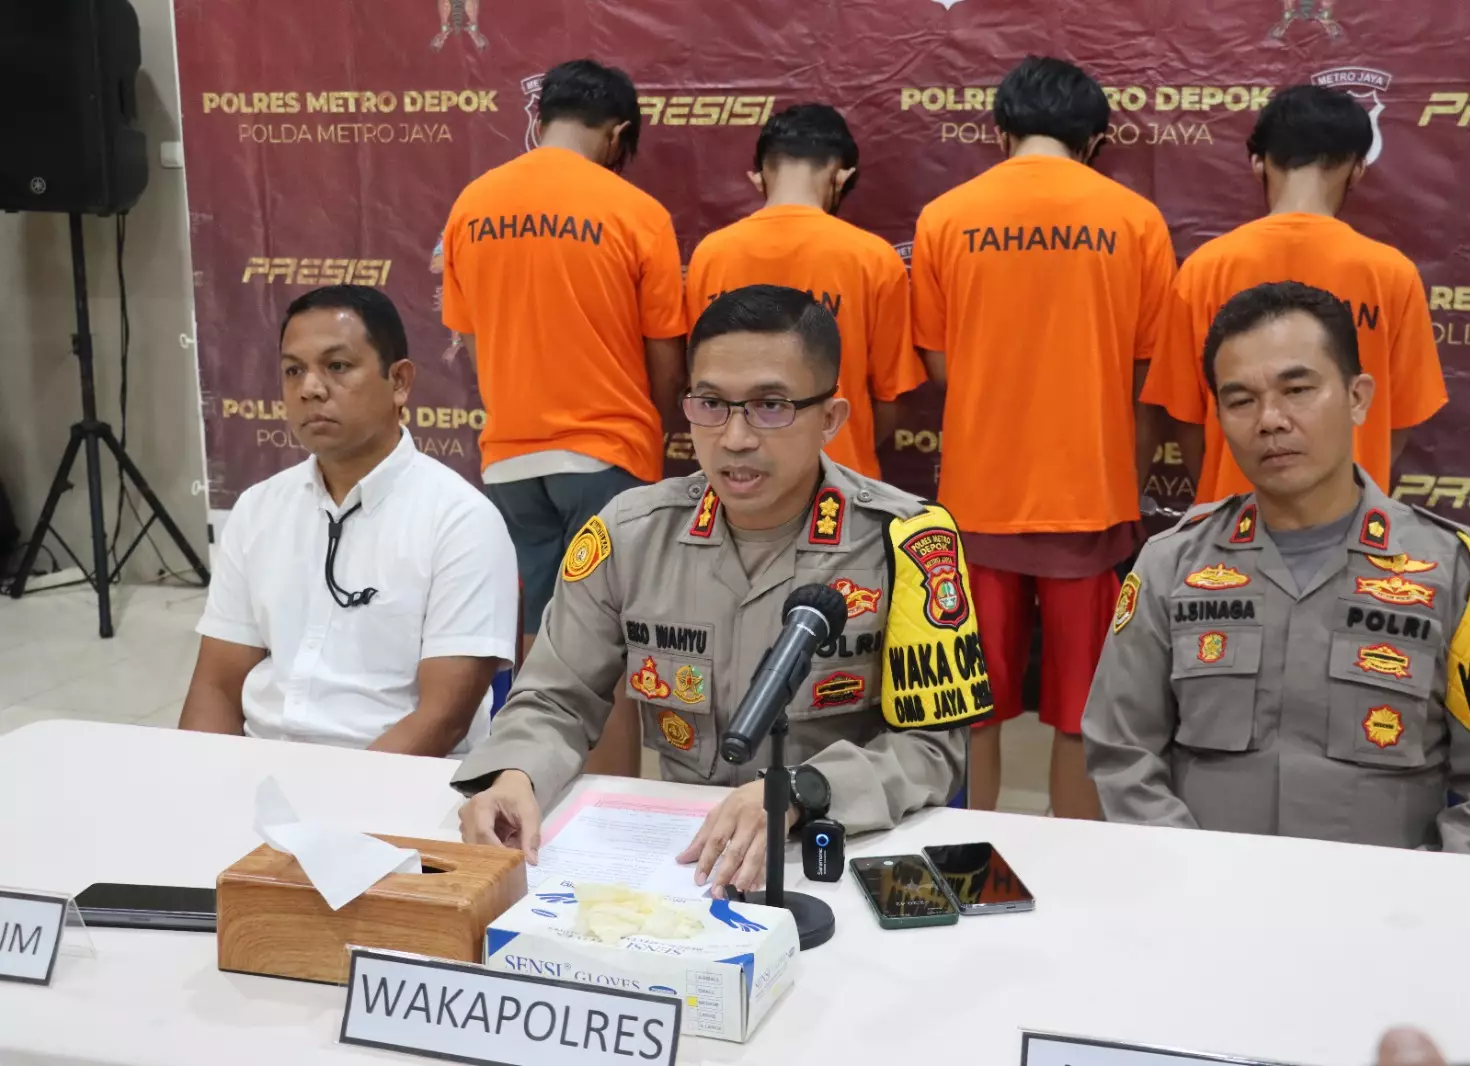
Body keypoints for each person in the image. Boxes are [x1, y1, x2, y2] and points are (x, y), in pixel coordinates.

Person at [455, 285, 989, 896]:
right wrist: (515, 776)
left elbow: (933, 749)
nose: (735, 437)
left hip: (837, 851)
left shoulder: (905, 542)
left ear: (830, 419)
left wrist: (803, 792)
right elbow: (555, 699)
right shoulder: (631, 534)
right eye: (711, 404)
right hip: (685, 863)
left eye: (770, 406)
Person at [1083, 281, 1470, 857]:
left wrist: (1422, 900)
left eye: (1297, 389)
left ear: (1357, 397)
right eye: (1240, 400)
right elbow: (1122, 751)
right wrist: (1191, 877)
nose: (1270, 420)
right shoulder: (1169, 565)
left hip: (1390, 904)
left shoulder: (1458, 570)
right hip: (1203, 892)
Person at [910, 55, 1176, 818]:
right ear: (1094, 141)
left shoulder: (945, 217)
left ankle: (962, 859)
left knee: (969, 710)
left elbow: (941, 367)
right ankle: (1077, 870)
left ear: (1001, 131)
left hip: (976, 500)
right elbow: (1149, 376)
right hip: (1091, 499)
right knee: (1084, 716)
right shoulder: (1136, 220)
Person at [442, 57, 689, 773]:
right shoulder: (635, 212)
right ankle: (608, 808)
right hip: (608, 453)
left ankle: (535, 790)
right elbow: (665, 356)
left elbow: (472, 336)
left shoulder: (472, 205)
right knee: (612, 645)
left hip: (510, 458)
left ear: (542, 117)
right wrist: (659, 426)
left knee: (538, 641)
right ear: (617, 133)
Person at [178, 286, 518, 755]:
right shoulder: (258, 508)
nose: (310, 388)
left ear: (399, 382)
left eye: (337, 366)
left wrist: (336, 797)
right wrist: (198, 778)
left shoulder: (462, 521)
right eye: (293, 370)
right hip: (261, 769)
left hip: (395, 779)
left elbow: (442, 719)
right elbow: (216, 686)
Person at [1141, 84, 1445, 504]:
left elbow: (1186, 419)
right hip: (1349, 518)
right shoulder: (1391, 274)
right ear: (1358, 168)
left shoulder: (1205, 269)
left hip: (1233, 519)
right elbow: (1398, 419)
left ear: (1257, 164)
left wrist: (1219, 493)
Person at [684, 103, 925, 478]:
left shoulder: (711, 256)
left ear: (758, 177)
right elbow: (891, 396)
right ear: (842, 176)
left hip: (738, 475)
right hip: (837, 479)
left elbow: (702, 385)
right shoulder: (873, 258)